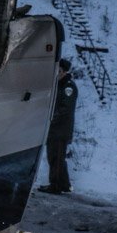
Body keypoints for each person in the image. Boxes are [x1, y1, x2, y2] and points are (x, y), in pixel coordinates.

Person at [41, 58, 77, 194]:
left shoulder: (68, 87)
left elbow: (65, 109)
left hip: (60, 130)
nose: (57, 73)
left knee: (56, 158)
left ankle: (55, 186)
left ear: (65, 71)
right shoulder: (58, 85)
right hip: (55, 129)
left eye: (60, 71)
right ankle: (64, 185)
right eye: (56, 70)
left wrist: (51, 118)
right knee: (56, 158)